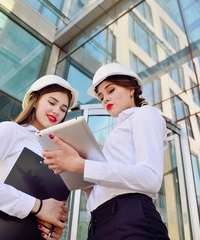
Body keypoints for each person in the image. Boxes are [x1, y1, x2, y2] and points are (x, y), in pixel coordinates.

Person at [43, 63, 170, 240]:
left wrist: (83, 166)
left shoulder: (145, 114)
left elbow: (151, 178)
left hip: (130, 218)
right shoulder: (117, 132)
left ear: (131, 88)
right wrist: (86, 184)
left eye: (110, 90)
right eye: (101, 97)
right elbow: (111, 185)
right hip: (99, 223)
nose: (105, 100)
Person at [0, 75, 79, 240]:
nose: (57, 111)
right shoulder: (11, 131)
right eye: (51, 102)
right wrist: (39, 206)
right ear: (35, 101)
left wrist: (51, 230)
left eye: (63, 109)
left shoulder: (57, 153)